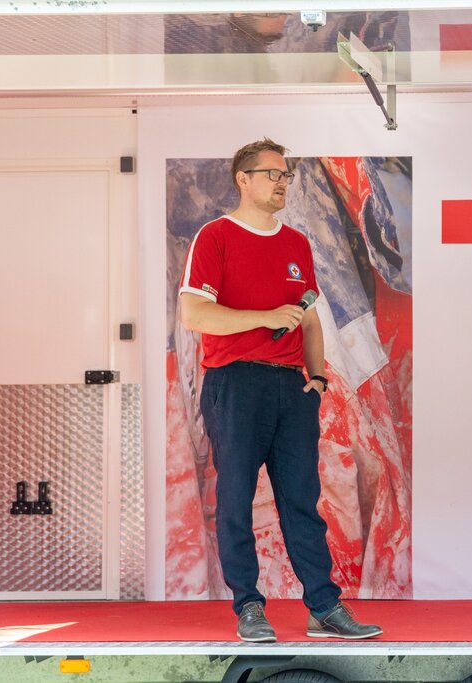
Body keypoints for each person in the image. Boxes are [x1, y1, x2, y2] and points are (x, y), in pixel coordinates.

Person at [179, 138, 382, 642]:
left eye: (286, 174)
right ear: (242, 179)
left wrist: (315, 378)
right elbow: (193, 314)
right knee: (235, 499)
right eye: (271, 173)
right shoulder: (215, 236)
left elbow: (309, 318)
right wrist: (265, 318)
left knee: (302, 500)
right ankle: (248, 605)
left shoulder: (295, 243)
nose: (282, 182)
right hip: (235, 383)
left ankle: (324, 608)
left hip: (292, 390)